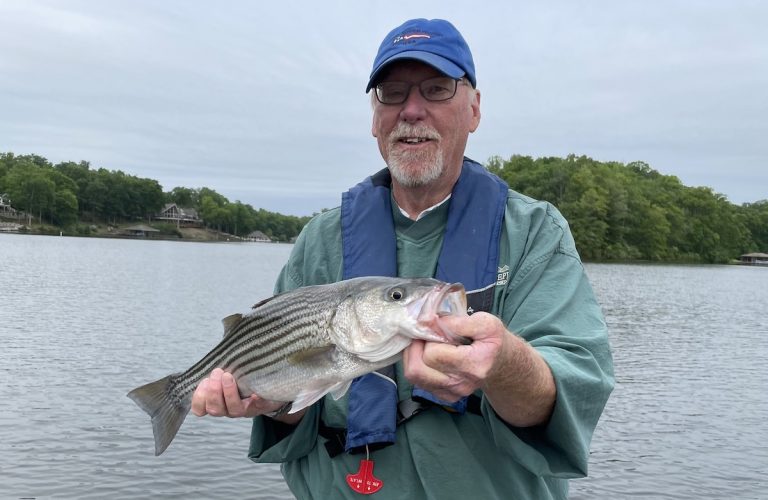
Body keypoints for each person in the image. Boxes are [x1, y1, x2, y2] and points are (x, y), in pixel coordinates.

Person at [191, 18, 614, 499]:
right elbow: (292, 410)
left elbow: (574, 392)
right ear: (375, 118)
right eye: (392, 93)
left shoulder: (537, 232)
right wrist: (264, 399)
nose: (413, 110)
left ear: (474, 109)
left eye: (437, 89)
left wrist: (505, 365)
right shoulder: (319, 240)